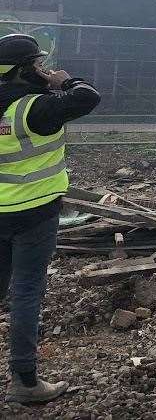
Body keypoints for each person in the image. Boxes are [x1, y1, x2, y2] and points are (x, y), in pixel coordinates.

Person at [0, 34, 99, 404]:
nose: (42, 69)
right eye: (37, 65)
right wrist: (63, 80)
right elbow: (88, 97)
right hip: (34, 213)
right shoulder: (34, 109)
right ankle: (25, 381)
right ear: (25, 70)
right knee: (25, 292)